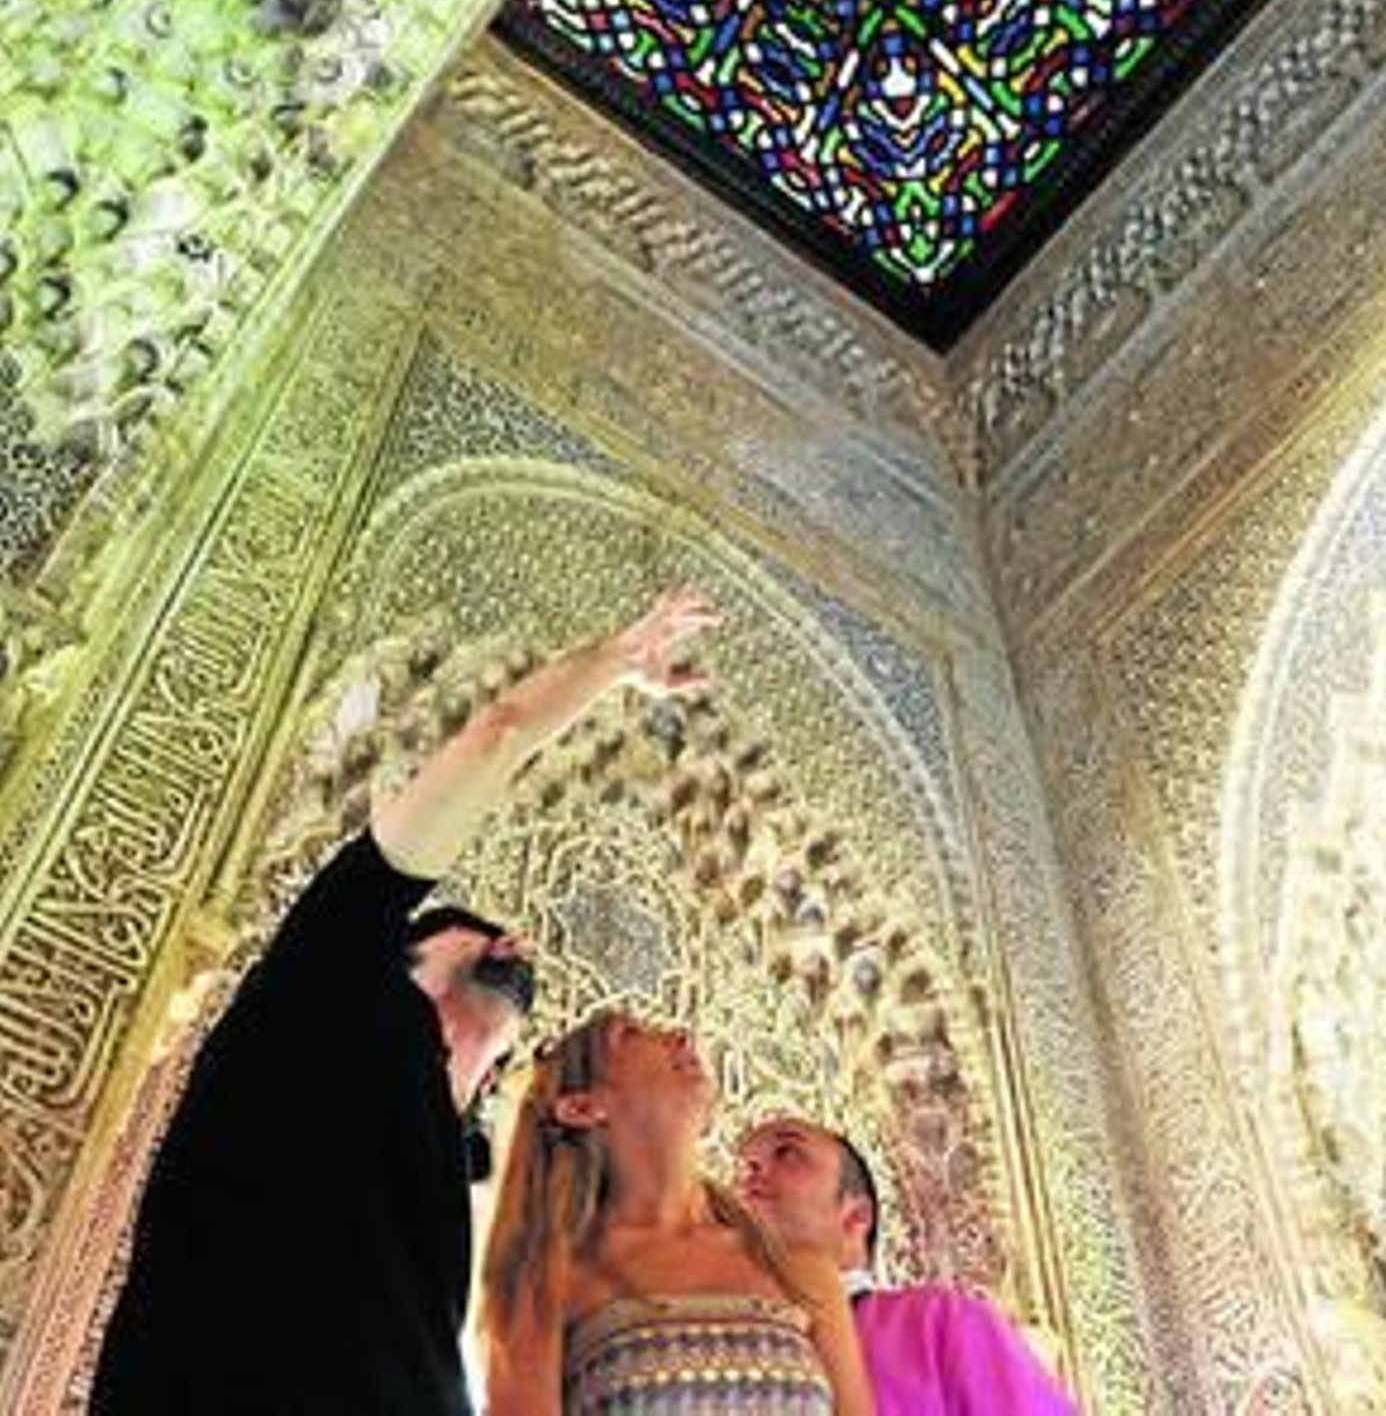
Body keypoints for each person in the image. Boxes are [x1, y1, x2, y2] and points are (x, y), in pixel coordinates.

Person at [91, 591, 718, 1416]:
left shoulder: (466, 1167)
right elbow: (495, 735)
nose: (518, 944)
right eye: (476, 930)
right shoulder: (325, 994)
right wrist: (611, 663)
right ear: (396, 955)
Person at [479, 1012, 876, 1415]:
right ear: (582, 1107)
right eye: (630, 1034)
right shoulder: (547, 1280)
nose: (680, 1036)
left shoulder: (800, 1270)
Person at [736, 1118, 1079, 1416]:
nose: (749, 1176)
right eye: (745, 1166)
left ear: (856, 1216)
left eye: (786, 1153)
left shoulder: (937, 1321)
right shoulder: (722, 1353)